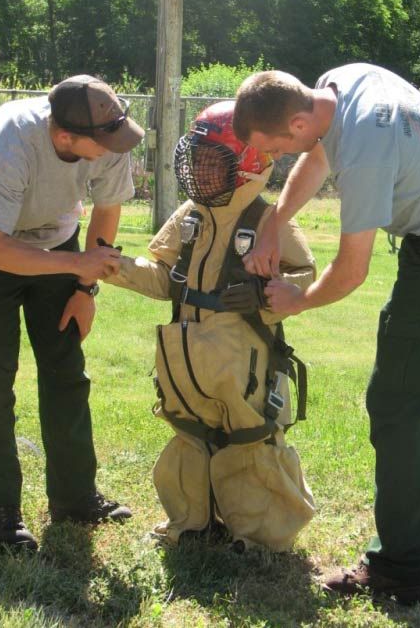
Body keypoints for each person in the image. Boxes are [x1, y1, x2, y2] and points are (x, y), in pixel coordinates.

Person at [232, 64, 420, 603]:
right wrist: (273, 221)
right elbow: (316, 155)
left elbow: (351, 270)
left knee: (400, 402)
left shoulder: (365, 146)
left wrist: (298, 299)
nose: (283, 159)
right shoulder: (345, 81)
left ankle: (401, 570)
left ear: (295, 120)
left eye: (278, 149)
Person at [106, 101, 316, 551]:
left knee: (249, 439)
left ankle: (259, 533)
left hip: (243, 357)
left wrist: (265, 296)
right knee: (190, 433)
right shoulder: (190, 215)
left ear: (249, 162)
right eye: (194, 159)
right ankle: (192, 520)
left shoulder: (266, 220)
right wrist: (119, 268)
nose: (198, 172)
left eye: (210, 161)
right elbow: (164, 276)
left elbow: (303, 279)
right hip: (187, 357)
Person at [0, 74, 145, 551]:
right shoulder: (11, 138)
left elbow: (106, 212)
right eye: (101, 143)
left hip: (60, 246)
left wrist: (85, 287)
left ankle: (76, 498)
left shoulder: (109, 134)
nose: (114, 149)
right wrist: (75, 263)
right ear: (65, 136)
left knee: (66, 372)